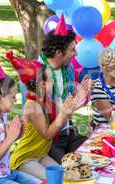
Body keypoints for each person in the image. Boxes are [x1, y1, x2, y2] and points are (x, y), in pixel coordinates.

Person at [7, 52, 91, 179]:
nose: (53, 82)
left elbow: (61, 120)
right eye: (51, 80)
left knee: (66, 176)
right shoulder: (32, 106)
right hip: (26, 158)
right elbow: (48, 134)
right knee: (55, 180)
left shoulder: (46, 101)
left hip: (40, 155)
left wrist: (77, 102)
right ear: (42, 84)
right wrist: (64, 113)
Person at [38, 15, 92, 163]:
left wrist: (81, 94)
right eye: (73, 50)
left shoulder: (68, 68)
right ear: (58, 53)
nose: (76, 54)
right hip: (48, 142)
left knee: (94, 154)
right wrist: (74, 104)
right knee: (72, 168)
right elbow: (38, 121)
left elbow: (68, 102)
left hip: (68, 131)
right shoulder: (36, 74)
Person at [0, 77, 41, 184]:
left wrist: (18, 134)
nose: (16, 100)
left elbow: (1, 140)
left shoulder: (2, 116)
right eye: (13, 97)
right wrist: (10, 139)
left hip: (8, 173)